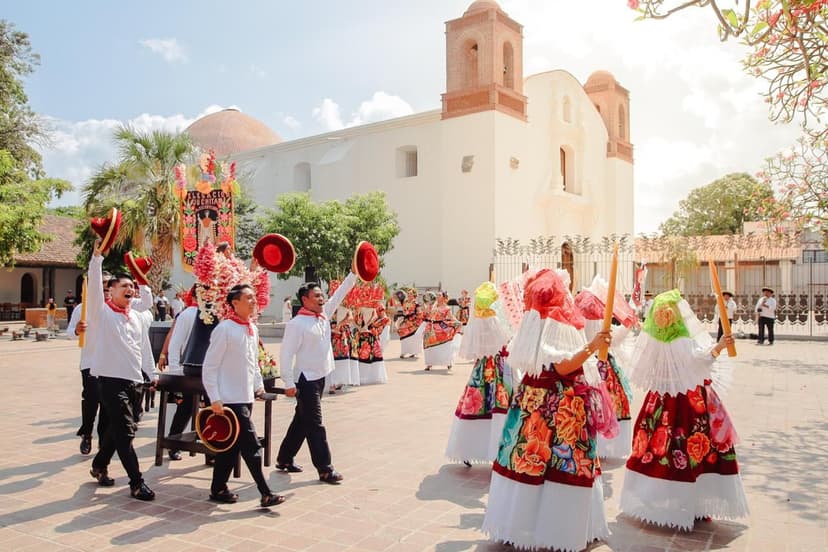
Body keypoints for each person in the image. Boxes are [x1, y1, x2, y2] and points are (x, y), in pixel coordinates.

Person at [482, 269, 615, 551]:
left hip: (532, 397)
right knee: (559, 462)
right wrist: (593, 346)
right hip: (558, 402)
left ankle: (524, 525)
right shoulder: (555, 318)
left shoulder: (533, 319)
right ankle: (558, 530)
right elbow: (563, 366)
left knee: (527, 459)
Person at [620, 289, 748, 530]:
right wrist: (719, 346)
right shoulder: (682, 340)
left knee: (660, 448)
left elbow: (642, 364)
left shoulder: (652, 341)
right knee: (690, 447)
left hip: (660, 400)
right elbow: (699, 361)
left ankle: (658, 498)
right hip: (690, 401)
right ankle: (693, 501)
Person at [201, 284, 285, 507]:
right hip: (228, 400)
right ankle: (265, 492)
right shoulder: (224, 329)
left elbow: (253, 362)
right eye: (248, 298)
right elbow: (209, 367)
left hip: (245, 396)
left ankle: (218, 488)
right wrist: (214, 398)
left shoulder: (252, 329)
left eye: (254, 297)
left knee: (231, 446)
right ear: (234, 303)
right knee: (251, 446)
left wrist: (258, 387)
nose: (253, 301)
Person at [87, 239, 156, 501]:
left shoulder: (136, 317)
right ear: (111, 291)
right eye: (124, 286)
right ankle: (137, 483)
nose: (130, 289)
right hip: (110, 382)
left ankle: (99, 464)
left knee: (121, 430)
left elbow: (143, 348)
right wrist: (97, 258)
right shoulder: (102, 313)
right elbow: (95, 288)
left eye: (132, 286)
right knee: (125, 432)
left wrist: (151, 374)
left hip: (134, 382)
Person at [278, 271, 357, 483]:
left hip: (320, 375)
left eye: (322, 295)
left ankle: (284, 458)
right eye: (317, 296)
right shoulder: (296, 324)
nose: (322, 299)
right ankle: (325, 468)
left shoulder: (323, 315)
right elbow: (286, 354)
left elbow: (340, 294)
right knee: (315, 424)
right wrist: (287, 382)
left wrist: (353, 274)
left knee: (302, 420)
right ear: (305, 300)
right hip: (305, 379)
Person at [445, 282, 513, 465]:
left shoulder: (477, 321)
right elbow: (505, 342)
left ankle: (468, 449)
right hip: (499, 368)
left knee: (476, 405)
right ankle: (497, 450)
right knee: (499, 406)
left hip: (482, 368)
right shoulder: (495, 320)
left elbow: (475, 350)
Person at [574, 276, 638, 460]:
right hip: (598, 364)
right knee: (607, 404)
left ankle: (589, 444)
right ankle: (604, 446)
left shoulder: (577, 317)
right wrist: (628, 321)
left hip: (584, 362)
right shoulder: (598, 317)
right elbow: (614, 339)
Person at [66, 273, 112, 455]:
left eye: (108, 284)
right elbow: (70, 332)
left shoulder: (115, 308)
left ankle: (103, 439)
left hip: (111, 365)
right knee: (91, 400)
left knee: (108, 403)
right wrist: (77, 330)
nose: (106, 288)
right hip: (90, 363)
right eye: (102, 284)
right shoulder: (82, 308)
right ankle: (86, 433)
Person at [423, 291, 461, 371]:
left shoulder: (446, 308)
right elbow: (426, 314)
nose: (437, 296)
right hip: (431, 326)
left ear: (443, 297)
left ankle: (448, 362)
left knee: (445, 345)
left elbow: (451, 317)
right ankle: (429, 363)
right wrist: (427, 306)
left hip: (441, 326)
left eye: (439, 295)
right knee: (428, 344)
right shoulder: (432, 306)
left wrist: (457, 322)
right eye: (437, 295)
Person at [396, 288, 424, 359]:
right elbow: (403, 310)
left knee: (413, 338)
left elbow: (420, 313)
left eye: (410, 294)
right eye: (408, 293)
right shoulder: (405, 302)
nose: (409, 295)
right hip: (406, 321)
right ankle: (403, 352)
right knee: (403, 336)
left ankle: (413, 352)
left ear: (414, 295)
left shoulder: (416, 304)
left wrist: (417, 322)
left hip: (414, 322)